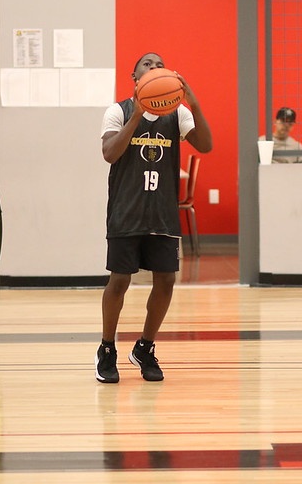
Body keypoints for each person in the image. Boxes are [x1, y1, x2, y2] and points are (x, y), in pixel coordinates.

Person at [95, 52, 212, 384]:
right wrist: (137, 114)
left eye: (159, 64)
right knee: (119, 281)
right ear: (135, 77)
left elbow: (206, 145)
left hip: (162, 213)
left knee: (166, 281)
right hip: (126, 212)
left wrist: (194, 104)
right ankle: (107, 349)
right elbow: (109, 153)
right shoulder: (118, 111)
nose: (154, 67)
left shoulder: (178, 114)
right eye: (147, 64)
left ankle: (145, 347)